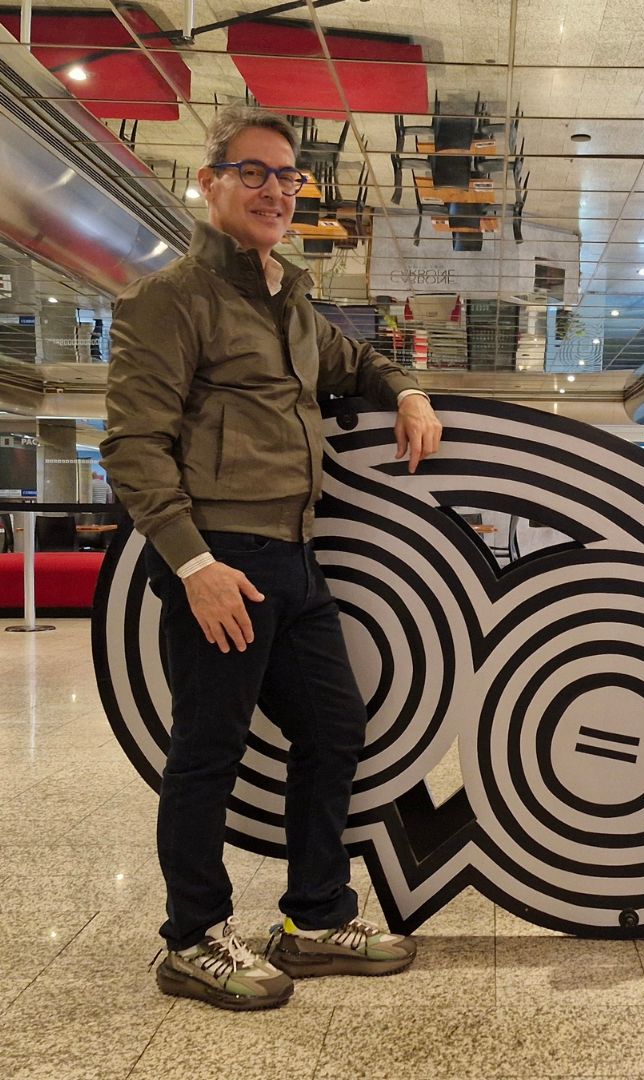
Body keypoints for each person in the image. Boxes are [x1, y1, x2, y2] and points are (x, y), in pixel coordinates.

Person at [101, 106, 443, 1011]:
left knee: (335, 731)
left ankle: (314, 919)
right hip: (221, 560)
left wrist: (408, 390)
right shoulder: (169, 299)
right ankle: (191, 940)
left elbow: (357, 362)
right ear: (209, 181)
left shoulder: (290, 299)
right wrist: (193, 566)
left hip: (294, 558)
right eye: (252, 172)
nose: (276, 191)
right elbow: (133, 446)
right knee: (207, 754)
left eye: (288, 176)